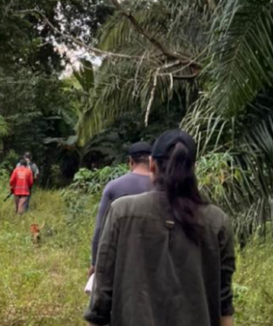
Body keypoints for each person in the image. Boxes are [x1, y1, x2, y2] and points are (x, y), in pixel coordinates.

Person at [85, 130, 236, 326]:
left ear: (152, 165)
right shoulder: (217, 221)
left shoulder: (122, 211)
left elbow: (101, 300)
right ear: (193, 168)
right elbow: (224, 303)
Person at [88, 142, 153, 275]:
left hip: (120, 258)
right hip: (155, 259)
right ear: (152, 161)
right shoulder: (163, 187)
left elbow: (101, 228)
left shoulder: (114, 187)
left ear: (130, 161)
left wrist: (95, 262)